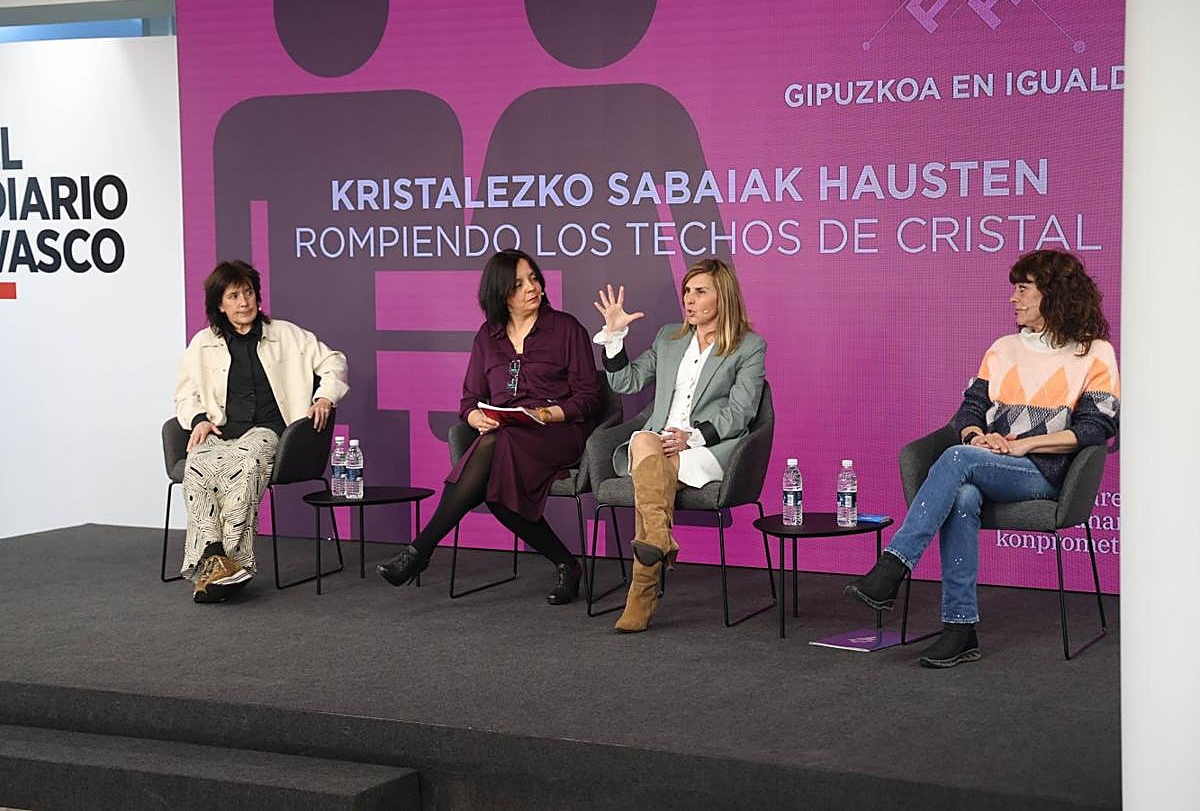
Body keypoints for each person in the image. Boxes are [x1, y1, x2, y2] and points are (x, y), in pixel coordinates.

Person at [845, 249, 1120, 668]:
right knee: (964, 495)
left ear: (1055, 294)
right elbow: (970, 409)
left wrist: (1024, 445)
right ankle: (960, 628)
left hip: (1046, 473)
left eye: (1023, 289)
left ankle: (892, 567)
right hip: (991, 462)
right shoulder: (1002, 348)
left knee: (958, 460)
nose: (1013, 298)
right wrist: (979, 435)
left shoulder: (1093, 353)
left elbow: (1094, 429)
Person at [377, 249, 602, 603]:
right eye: (519, 283)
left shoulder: (566, 328)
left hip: (558, 433)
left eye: (534, 278)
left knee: (494, 453)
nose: (532, 287)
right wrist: (474, 417)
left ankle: (419, 551)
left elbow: (590, 398)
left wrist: (545, 414)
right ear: (500, 294)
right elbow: (469, 399)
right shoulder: (487, 336)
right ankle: (565, 563)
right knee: (495, 478)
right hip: (507, 436)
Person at [593, 259, 766, 633]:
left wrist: (695, 436)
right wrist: (614, 339)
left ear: (723, 297)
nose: (689, 299)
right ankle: (656, 540)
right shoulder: (669, 338)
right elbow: (627, 382)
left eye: (700, 291)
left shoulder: (748, 346)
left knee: (651, 468)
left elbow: (743, 410)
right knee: (642, 439)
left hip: (706, 450)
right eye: (687, 291)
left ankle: (642, 590)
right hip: (656, 443)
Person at [174, 260, 349, 603]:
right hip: (222, 433)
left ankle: (225, 565)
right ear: (219, 305)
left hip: (270, 432)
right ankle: (218, 561)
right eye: (234, 296)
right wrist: (198, 420)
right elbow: (184, 393)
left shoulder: (285, 334)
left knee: (246, 462)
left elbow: (334, 361)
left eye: (249, 293)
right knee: (195, 464)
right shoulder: (202, 343)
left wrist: (324, 396)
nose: (244, 303)